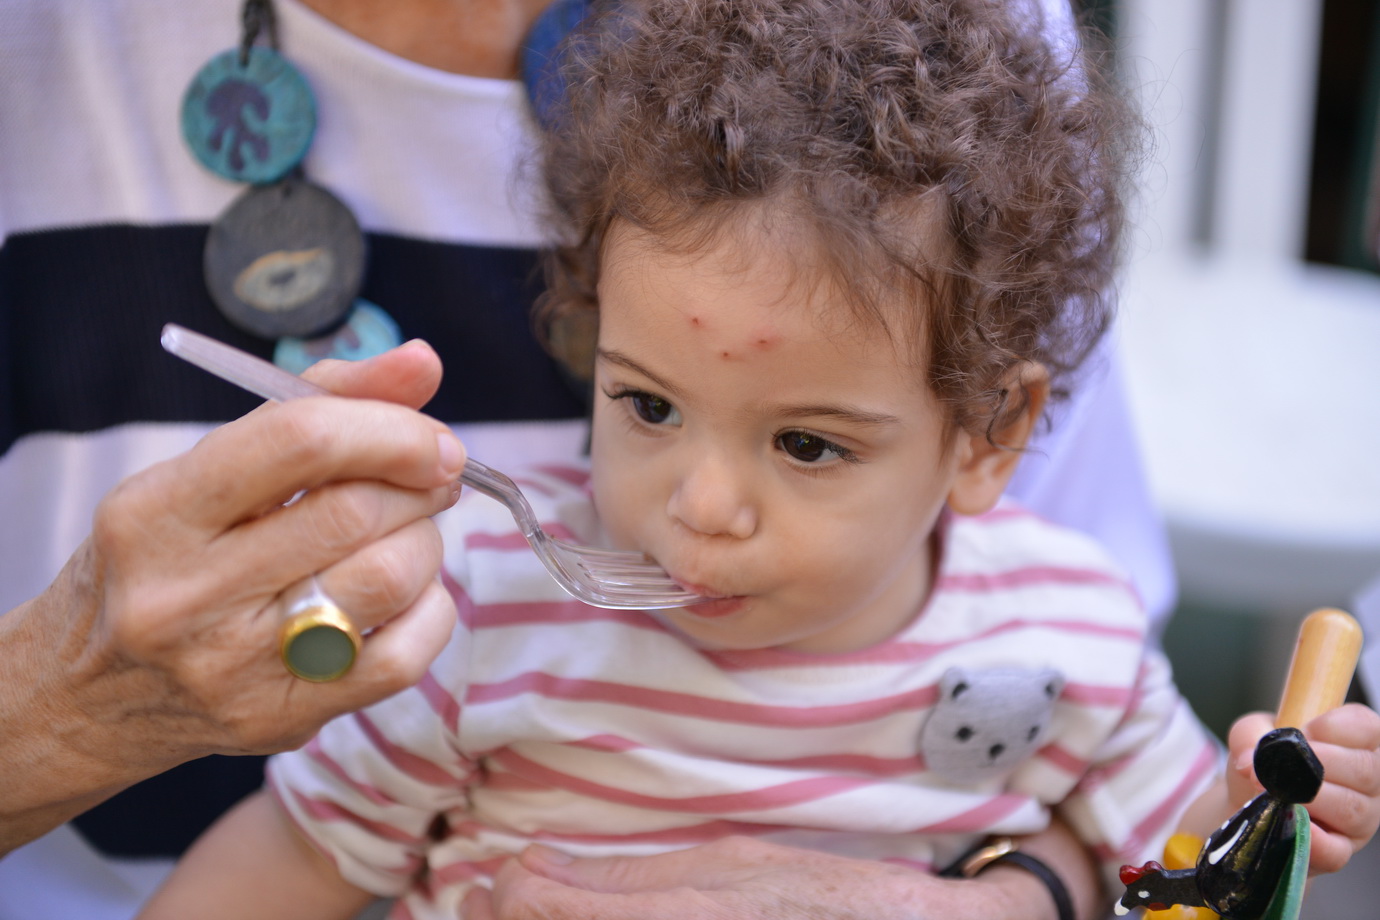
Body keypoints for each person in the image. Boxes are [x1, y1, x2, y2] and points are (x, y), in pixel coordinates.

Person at [134, 2, 1380, 919]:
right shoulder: (480, 607)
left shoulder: (1064, 631)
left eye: (806, 442)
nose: (700, 504)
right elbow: (292, 860)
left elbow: (1170, 872)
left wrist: (1268, 807)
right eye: (648, 404)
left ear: (989, 432)